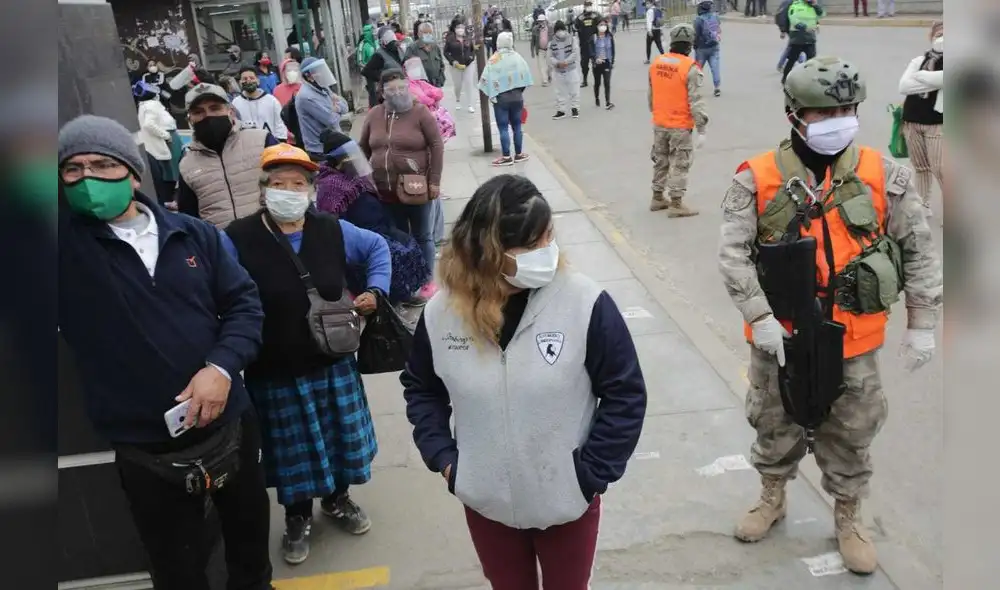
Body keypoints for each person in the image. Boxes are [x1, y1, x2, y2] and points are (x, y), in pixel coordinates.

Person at [717, 56, 942, 576]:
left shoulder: (883, 174)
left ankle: (848, 515)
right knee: (773, 419)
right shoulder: (757, 177)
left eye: (847, 110)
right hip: (778, 334)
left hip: (853, 336)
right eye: (824, 112)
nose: (838, 120)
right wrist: (759, 315)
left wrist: (923, 323)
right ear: (794, 115)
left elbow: (918, 249)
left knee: (852, 429)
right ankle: (772, 495)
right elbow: (732, 255)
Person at [401, 174, 647, 589]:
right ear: (489, 252)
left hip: (566, 503)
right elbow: (422, 388)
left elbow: (626, 393)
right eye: (532, 244)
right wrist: (445, 459)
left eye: (549, 236)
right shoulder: (441, 316)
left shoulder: (584, 303)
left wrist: (589, 474)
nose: (547, 251)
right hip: (486, 504)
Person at [58, 115, 272, 590]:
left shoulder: (194, 234)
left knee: (251, 552)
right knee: (177, 571)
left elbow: (244, 306)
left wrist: (221, 367)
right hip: (146, 449)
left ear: (133, 174)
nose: (87, 178)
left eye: (101, 164)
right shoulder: (62, 250)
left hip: (230, 425)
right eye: (72, 169)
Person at [221, 144, 387, 565]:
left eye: (298, 184)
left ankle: (337, 499)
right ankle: (297, 515)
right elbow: (215, 287)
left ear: (312, 190)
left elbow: (378, 249)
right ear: (263, 190)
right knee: (291, 453)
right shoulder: (236, 238)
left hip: (331, 362)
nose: (288, 191)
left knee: (337, 441)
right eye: (278, 183)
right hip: (273, 370)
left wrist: (375, 291)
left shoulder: (331, 229)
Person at [316, 130, 432, 304]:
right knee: (393, 254)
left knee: (409, 244)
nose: (356, 161)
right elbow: (332, 221)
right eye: (351, 158)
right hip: (362, 233)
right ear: (338, 162)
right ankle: (387, 300)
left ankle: (403, 294)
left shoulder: (354, 177)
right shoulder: (331, 185)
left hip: (380, 226)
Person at [359, 69, 443, 273]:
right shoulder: (374, 115)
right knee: (398, 236)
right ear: (382, 92)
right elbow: (362, 149)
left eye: (401, 87)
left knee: (423, 236)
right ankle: (408, 277)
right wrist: (361, 178)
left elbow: (436, 145)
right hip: (385, 189)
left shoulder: (420, 112)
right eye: (391, 89)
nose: (397, 92)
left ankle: (426, 279)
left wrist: (434, 181)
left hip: (417, 187)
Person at [176, 83, 278, 228]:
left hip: (269, 235)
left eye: (215, 108)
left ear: (230, 111)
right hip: (219, 241)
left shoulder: (262, 141)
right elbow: (189, 217)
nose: (208, 116)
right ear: (190, 119)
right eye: (198, 112)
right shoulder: (187, 164)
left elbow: (287, 187)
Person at [647, 24, 708, 216]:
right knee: (680, 163)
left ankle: (657, 197)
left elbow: (651, 95)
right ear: (690, 45)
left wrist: (657, 114)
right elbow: (696, 101)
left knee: (661, 160)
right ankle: (676, 203)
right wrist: (702, 128)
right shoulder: (690, 68)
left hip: (660, 122)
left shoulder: (657, 63)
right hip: (680, 126)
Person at [898, 21, 944, 215]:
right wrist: (935, 81)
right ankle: (922, 206)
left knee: (940, 169)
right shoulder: (919, 59)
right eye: (938, 34)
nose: (942, 38)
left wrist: (920, 76)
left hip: (937, 123)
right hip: (912, 119)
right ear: (931, 37)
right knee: (921, 167)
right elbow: (904, 86)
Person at [478, 32, 533, 167]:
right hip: (517, 97)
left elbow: (485, 80)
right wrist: (518, 91)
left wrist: (492, 94)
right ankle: (519, 154)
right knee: (517, 126)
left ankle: (507, 156)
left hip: (501, 98)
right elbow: (525, 75)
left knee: (503, 127)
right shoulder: (517, 57)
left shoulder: (494, 59)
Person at [295, 57, 350, 160]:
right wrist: (334, 108)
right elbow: (331, 120)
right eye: (317, 71)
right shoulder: (306, 96)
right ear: (308, 76)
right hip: (320, 150)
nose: (321, 73)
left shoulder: (323, 88)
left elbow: (346, 107)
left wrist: (336, 109)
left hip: (334, 143)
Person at [136, 82, 179, 206]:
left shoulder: (144, 105)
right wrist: (165, 135)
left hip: (160, 142)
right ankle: (169, 199)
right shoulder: (152, 104)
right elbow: (149, 124)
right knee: (171, 172)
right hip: (166, 140)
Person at [405, 57, 456, 142]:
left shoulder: (420, 81)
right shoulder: (408, 84)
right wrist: (432, 98)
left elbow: (438, 92)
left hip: (429, 112)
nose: (416, 70)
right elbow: (422, 99)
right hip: (422, 115)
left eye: (417, 67)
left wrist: (430, 95)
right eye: (413, 68)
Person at [233, 67, 289, 141]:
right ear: (240, 82)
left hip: (270, 143)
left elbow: (280, 123)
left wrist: (280, 141)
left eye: (252, 78)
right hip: (246, 144)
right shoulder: (235, 103)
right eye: (245, 79)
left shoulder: (271, 100)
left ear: (258, 81)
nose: (248, 80)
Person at [776, 0, 824, 84]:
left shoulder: (812, 5)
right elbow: (791, 18)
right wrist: (783, 30)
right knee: (792, 59)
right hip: (797, 38)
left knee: (812, 61)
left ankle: (810, 79)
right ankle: (785, 78)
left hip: (810, 38)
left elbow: (821, 14)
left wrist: (815, 5)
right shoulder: (795, 4)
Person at [444, 17, 479, 113]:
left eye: (462, 27)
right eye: (458, 27)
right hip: (456, 66)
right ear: (455, 28)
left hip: (468, 65)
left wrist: (471, 58)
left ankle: (470, 104)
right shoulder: (450, 39)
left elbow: (472, 50)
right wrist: (453, 61)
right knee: (458, 85)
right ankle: (458, 99)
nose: (460, 29)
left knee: (469, 83)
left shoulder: (468, 38)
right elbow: (446, 52)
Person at [362, 28, 405, 102]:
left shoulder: (399, 50)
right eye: (392, 43)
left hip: (402, 87)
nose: (394, 45)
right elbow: (366, 71)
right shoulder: (379, 55)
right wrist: (384, 78)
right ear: (383, 43)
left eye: (395, 42)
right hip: (389, 91)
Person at [549, 20, 581, 120]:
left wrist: (566, 62)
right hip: (558, 70)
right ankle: (561, 110)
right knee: (559, 92)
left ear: (565, 29)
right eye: (558, 30)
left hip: (570, 69)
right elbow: (550, 56)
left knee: (574, 90)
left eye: (561, 29)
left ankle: (575, 108)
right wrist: (557, 63)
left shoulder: (572, 39)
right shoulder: (552, 42)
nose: (560, 32)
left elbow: (575, 52)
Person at [693, 0, 723, 97]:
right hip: (714, 46)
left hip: (701, 48)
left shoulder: (698, 19)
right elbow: (718, 28)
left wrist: (694, 45)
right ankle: (717, 88)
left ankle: (694, 89)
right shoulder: (715, 16)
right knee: (715, 68)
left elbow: (696, 34)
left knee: (697, 69)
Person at [404, 21, 447, 88]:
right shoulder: (412, 48)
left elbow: (441, 65)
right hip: (421, 87)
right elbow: (408, 68)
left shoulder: (435, 47)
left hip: (436, 85)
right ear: (419, 34)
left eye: (430, 33)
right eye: (425, 33)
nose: (428, 35)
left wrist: (440, 80)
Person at [574, 1, 603, 88]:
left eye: (590, 5)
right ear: (584, 6)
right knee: (584, 65)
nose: (589, 7)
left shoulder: (596, 16)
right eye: (587, 5)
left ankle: (597, 80)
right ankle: (585, 80)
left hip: (594, 44)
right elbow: (575, 27)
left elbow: (602, 26)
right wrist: (577, 31)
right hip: (584, 45)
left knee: (596, 64)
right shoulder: (580, 18)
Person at [591, 18, 616, 110]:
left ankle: (607, 102)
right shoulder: (594, 37)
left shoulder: (609, 36)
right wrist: (595, 59)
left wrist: (612, 61)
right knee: (597, 83)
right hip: (597, 63)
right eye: (601, 25)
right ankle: (597, 98)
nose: (603, 27)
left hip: (607, 62)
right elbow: (591, 50)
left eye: (604, 25)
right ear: (597, 26)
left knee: (607, 82)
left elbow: (613, 49)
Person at [357, 24, 378, 107]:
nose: (374, 34)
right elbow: (360, 61)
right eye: (373, 32)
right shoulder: (363, 45)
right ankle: (373, 107)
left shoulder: (376, 43)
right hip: (369, 72)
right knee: (372, 91)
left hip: (378, 71)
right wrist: (369, 68)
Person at [531, 14, 553, 87]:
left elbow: (554, 38)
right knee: (542, 66)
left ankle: (549, 74)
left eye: (542, 21)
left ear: (545, 21)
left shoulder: (550, 28)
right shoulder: (535, 29)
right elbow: (533, 41)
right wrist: (532, 51)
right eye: (540, 21)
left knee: (550, 65)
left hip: (549, 49)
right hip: (540, 50)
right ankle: (544, 80)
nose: (541, 23)